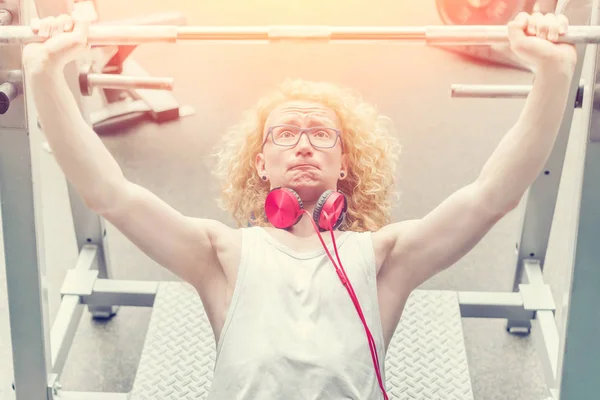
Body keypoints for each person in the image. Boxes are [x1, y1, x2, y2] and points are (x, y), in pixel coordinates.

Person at [22, 10, 577, 399]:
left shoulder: (383, 258)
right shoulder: (222, 254)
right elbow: (109, 195)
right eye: (285, 134)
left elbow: (491, 197)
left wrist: (552, 73)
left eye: (322, 135)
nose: (305, 142)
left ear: (345, 166)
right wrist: (46, 71)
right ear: (260, 165)